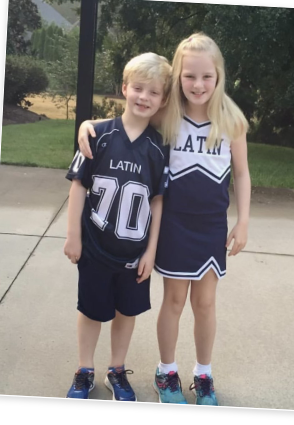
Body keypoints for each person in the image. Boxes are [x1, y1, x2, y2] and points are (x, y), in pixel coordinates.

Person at [77, 32, 251, 407]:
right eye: (189, 76)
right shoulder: (166, 114)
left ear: (219, 76)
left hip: (211, 227)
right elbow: (126, 117)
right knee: (173, 301)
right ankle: (166, 371)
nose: (198, 84)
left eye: (206, 76)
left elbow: (242, 174)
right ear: (178, 78)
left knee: (205, 303)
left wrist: (244, 221)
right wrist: (85, 125)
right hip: (174, 224)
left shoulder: (232, 120)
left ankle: (203, 374)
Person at [64, 52, 171, 401]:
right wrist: (73, 236)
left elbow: (157, 201)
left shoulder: (159, 148)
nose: (144, 97)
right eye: (138, 88)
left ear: (163, 99)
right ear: (124, 88)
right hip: (95, 246)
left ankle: (116, 370)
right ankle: (84, 369)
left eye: (153, 92)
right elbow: (78, 186)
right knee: (91, 310)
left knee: (127, 312)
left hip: (134, 251)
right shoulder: (97, 134)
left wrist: (151, 251)